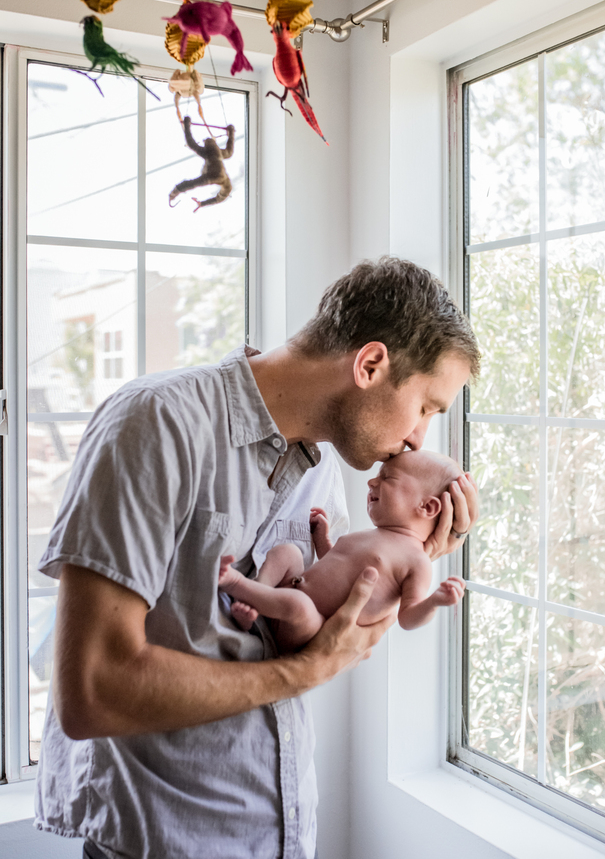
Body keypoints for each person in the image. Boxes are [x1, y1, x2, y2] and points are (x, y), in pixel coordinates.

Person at [34, 257, 481, 859]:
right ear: (370, 364)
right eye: (426, 406)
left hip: (283, 836)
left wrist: (410, 554)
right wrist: (303, 674)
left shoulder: (323, 472)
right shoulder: (157, 423)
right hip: (164, 844)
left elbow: (326, 641)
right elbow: (92, 692)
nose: (418, 438)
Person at [219, 450, 468, 651]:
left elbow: (407, 617)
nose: (372, 481)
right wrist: (322, 539)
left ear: (427, 506)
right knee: (289, 553)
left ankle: (235, 584)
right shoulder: (372, 535)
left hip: (308, 626)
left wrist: (434, 601)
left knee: (300, 606)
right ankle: (256, 596)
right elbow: (332, 565)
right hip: (288, 590)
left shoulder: (417, 562)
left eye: (388, 478)